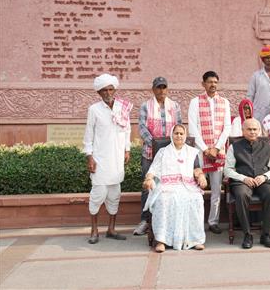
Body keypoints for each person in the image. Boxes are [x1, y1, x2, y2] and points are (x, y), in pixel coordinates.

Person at [83, 74, 132, 244]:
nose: (108, 92)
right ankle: (94, 230)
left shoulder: (123, 107)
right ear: (99, 92)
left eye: (110, 89)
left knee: (114, 195)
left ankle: (111, 229)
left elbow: (127, 131)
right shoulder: (94, 109)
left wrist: (127, 150)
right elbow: (88, 136)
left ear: (115, 90)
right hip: (100, 160)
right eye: (104, 90)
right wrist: (89, 157)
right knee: (98, 195)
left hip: (117, 159)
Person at [143, 124, 208, 252]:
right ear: (172, 135)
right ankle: (161, 240)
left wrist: (201, 177)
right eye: (176, 133)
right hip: (167, 186)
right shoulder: (163, 152)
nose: (179, 136)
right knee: (163, 199)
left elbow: (197, 169)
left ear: (185, 136)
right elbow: (153, 169)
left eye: (181, 134)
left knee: (196, 199)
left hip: (187, 185)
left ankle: (195, 240)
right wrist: (149, 179)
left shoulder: (192, 152)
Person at [134, 77, 182, 236]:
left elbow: (178, 128)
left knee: (168, 186)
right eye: (158, 88)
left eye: (164, 87)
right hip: (150, 153)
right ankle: (145, 221)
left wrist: (170, 147)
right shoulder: (145, 106)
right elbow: (142, 128)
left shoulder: (174, 106)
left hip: (169, 154)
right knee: (148, 187)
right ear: (153, 89)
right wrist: (155, 145)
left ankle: (167, 221)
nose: (161, 90)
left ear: (167, 89)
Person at [224, 118, 270, 249]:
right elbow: (227, 170)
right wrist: (243, 178)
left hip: (262, 180)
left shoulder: (268, 146)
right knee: (241, 195)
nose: (252, 132)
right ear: (243, 131)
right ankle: (247, 234)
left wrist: (264, 177)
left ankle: (266, 234)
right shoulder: (234, 147)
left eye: (255, 129)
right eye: (249, 129)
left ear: (259, 131)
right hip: (243, 181)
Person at [188, 71, 231, 235]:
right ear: (203, 84)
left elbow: (226, 127)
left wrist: (217, 148)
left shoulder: (224, 102)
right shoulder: (195, 102)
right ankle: (196, 221)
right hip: (200, 152)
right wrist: (205, 149)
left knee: (216, 190)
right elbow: (193, 128)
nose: (213, 85)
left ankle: (213, 222)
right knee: (197, 189)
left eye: (215, 82)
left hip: (218, 153)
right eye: (209, 82)